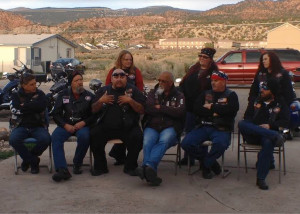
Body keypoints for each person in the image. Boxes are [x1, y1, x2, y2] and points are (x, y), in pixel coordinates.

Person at [181, 71, 239, 179]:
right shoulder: (206, 94)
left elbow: (231, 111)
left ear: (223, 81)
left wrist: (211, 107)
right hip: (203, 126)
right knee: (186, 143)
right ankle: (211, 163)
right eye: (212, 80)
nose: (213, 83)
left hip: (221, 128)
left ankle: (206, 165)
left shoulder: (231, 95)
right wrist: (216, 112)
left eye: (216, 80)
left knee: (220, 144)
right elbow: (196, 109)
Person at [90, 68, 145, 176]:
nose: (119, 79)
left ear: (126, 78)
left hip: (127, 127)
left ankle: (130, 166)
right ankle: (100, 167)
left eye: (122, 76)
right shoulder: (103, 91)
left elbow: (142, 110)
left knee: (138, 137)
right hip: (106, 127)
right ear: (111, 79)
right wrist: (101, 101)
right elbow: (93, 109)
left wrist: (130, 101)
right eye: (116, 76)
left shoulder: (133, 90)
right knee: (94, 134)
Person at [136, 71, 185, 186]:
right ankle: (150, 171)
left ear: (171, 83)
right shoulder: (153, 93)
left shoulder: (179, 95)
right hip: (152, 125)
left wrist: (160, 108)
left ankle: (146, 167)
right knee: (148, 141)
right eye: (159, 80)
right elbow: (148, 108)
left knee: (164, 140)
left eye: (164, 81)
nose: (160, 83)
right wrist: (167, 109)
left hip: (170, 126)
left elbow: (180, 112)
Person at [238, 78, 289, 190]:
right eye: (261, 88)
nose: (261, 91)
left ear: (272, 91)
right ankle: (272, 135)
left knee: (268, 142)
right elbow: (247, 118)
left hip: (268, 136)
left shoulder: (280, 103)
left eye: (265, 89)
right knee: (242, 124)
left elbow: (286, 121)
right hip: (254, 135)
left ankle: (261, 178)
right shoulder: (255, 101)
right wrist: (257, 128)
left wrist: (270, 126)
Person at [248, 51, 294, 167]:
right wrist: (253, 102)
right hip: (261, 108)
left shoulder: (282, 74)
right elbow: (253, 91)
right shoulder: (260, 74)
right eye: (262, 59)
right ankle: (268, 160)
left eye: (266, 59)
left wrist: (282, 105)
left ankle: (265, 161)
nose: (263, 61)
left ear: (272, 60)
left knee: (269, 133)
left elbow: (289, 94)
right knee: (263, 132)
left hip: (277, 109)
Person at [51, 71, 95, 182]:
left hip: (82, 125)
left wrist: (84, 122)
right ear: (71, 83)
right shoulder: (63, 94)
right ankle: (62, 169)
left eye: (81, 80)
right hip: (66, 125)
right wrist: (65, 125)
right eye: (77, 80)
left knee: (85, 136)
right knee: (55, 137)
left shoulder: (89, 96)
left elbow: (95, 115)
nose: (80, 82)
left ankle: (77, 163)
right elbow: (56, 114)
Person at [179, 47, 218, 166]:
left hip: (202, 108)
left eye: (205, 57)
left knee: (202, 133)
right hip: (189, 106)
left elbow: (212, 91)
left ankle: (203, 160)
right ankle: (188, 157)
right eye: (200, 56)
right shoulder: (193, 69)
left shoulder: (213, 73)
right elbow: (184, 84)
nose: (201, 58)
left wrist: (206, 106)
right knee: (189, 132)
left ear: (210, 59)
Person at [105, 50, 144, 166]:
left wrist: (134, 101)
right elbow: (107, 86)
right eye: (126, 59)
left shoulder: (136, 71)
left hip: (131, 106)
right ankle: (119, 155)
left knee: (131, 131)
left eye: (130, 59)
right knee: (120, 128)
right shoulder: (113, 71)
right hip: (116, 105)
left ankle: (119, 154)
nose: (128, 61)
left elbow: (140, 88)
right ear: (120, 60)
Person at [9, 73, 51, 174]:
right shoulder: (15, 95)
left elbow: (42, 106)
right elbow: (15, 109)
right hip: (21, 126)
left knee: (46, 139)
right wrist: (33, 106)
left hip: (38, 126)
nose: (35, 86)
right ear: (24, 85)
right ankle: (33, 161)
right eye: (31, 84)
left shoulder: (40, 94)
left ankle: (27, 159)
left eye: (35, 83)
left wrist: (25, 106)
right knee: (13, 140)